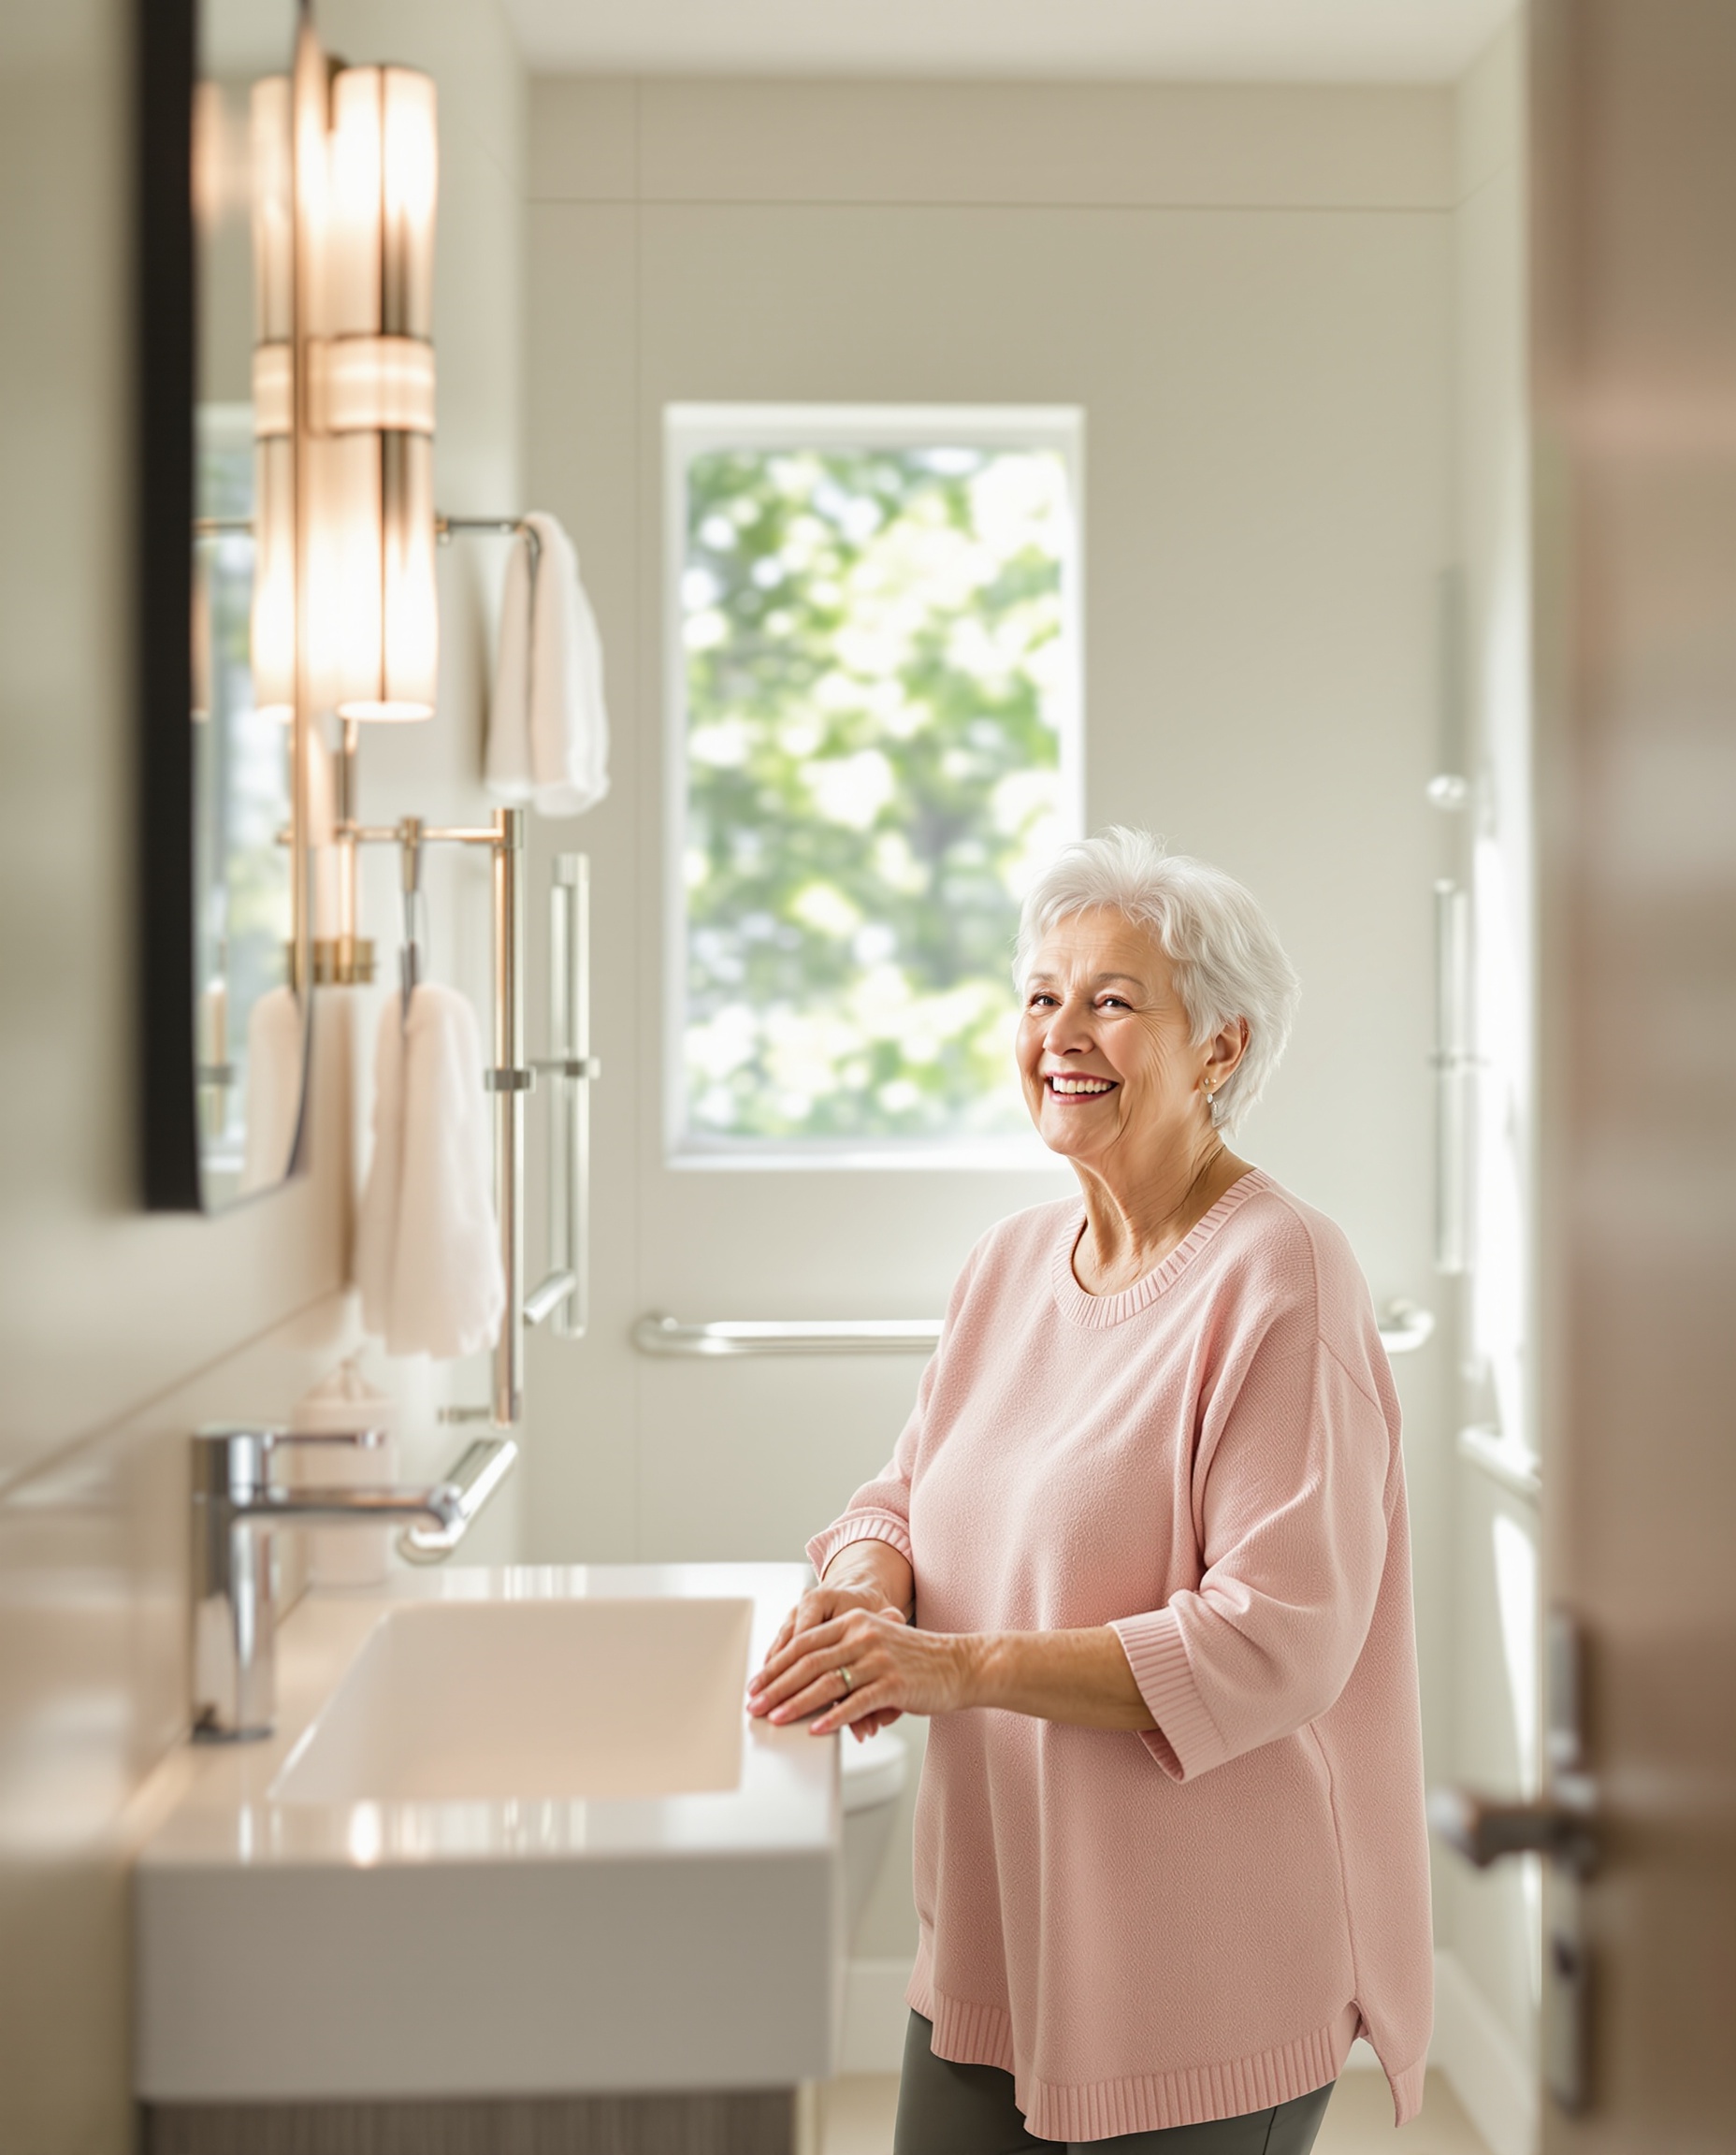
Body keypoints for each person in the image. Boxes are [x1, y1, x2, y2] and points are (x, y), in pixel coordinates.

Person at [748, 829, 1433, 2152]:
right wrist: (864, 1591)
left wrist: (952, 1667)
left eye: (1113, 1001)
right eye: (1041, 996)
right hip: (994, 1947)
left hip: (1202, 1982)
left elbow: (1276, 1640)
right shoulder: (1008, 1263)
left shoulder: (1284, 1275)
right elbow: (903, 1493)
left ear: (1220, 1048)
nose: (1061, 1034)